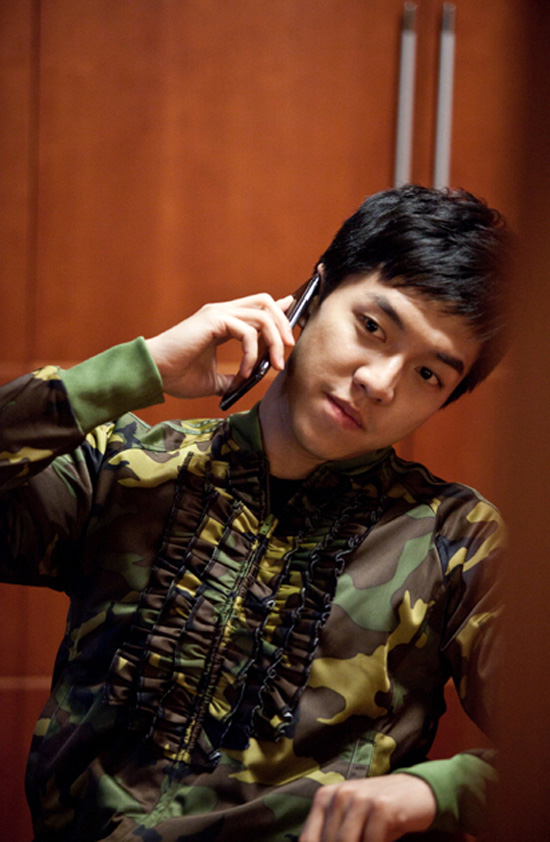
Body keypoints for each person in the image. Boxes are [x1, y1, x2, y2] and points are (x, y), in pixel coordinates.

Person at [0, 185, 508, 842]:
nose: (380, 383)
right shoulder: (126, 467)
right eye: (373, 328)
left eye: (429, 375)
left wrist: (436, 790)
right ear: (311, 295)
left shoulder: (453, 538)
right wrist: (137, 369)